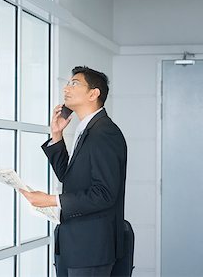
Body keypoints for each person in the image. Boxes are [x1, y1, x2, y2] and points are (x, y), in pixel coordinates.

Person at [20, 66, 127, 277]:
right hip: (75, 245)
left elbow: (104, 194)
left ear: (93, 93)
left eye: (74, 83)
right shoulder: (87, 129)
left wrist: (51, 200)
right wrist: (57, 135)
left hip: (91, 248)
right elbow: (69, 178)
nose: (66, 88)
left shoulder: (104, 132)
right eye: (68, 83)